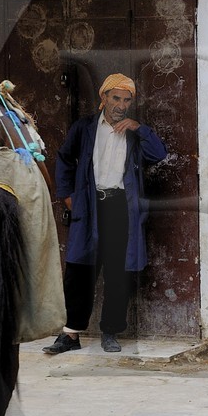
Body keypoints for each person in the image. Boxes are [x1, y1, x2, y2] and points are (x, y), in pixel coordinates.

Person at [43, 73, 168, 355]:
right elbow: (64, 158)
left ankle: (110, 331)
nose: (121, 105)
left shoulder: (134, 133)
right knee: (79, 269)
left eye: (127, 100)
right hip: (88, 205)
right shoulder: (85, 127)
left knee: (117, 272)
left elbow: (159, 154)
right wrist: (66, 196)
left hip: (119, 206)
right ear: (103, 98)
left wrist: (140, 129)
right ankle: (71, 334)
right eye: (116, 98)